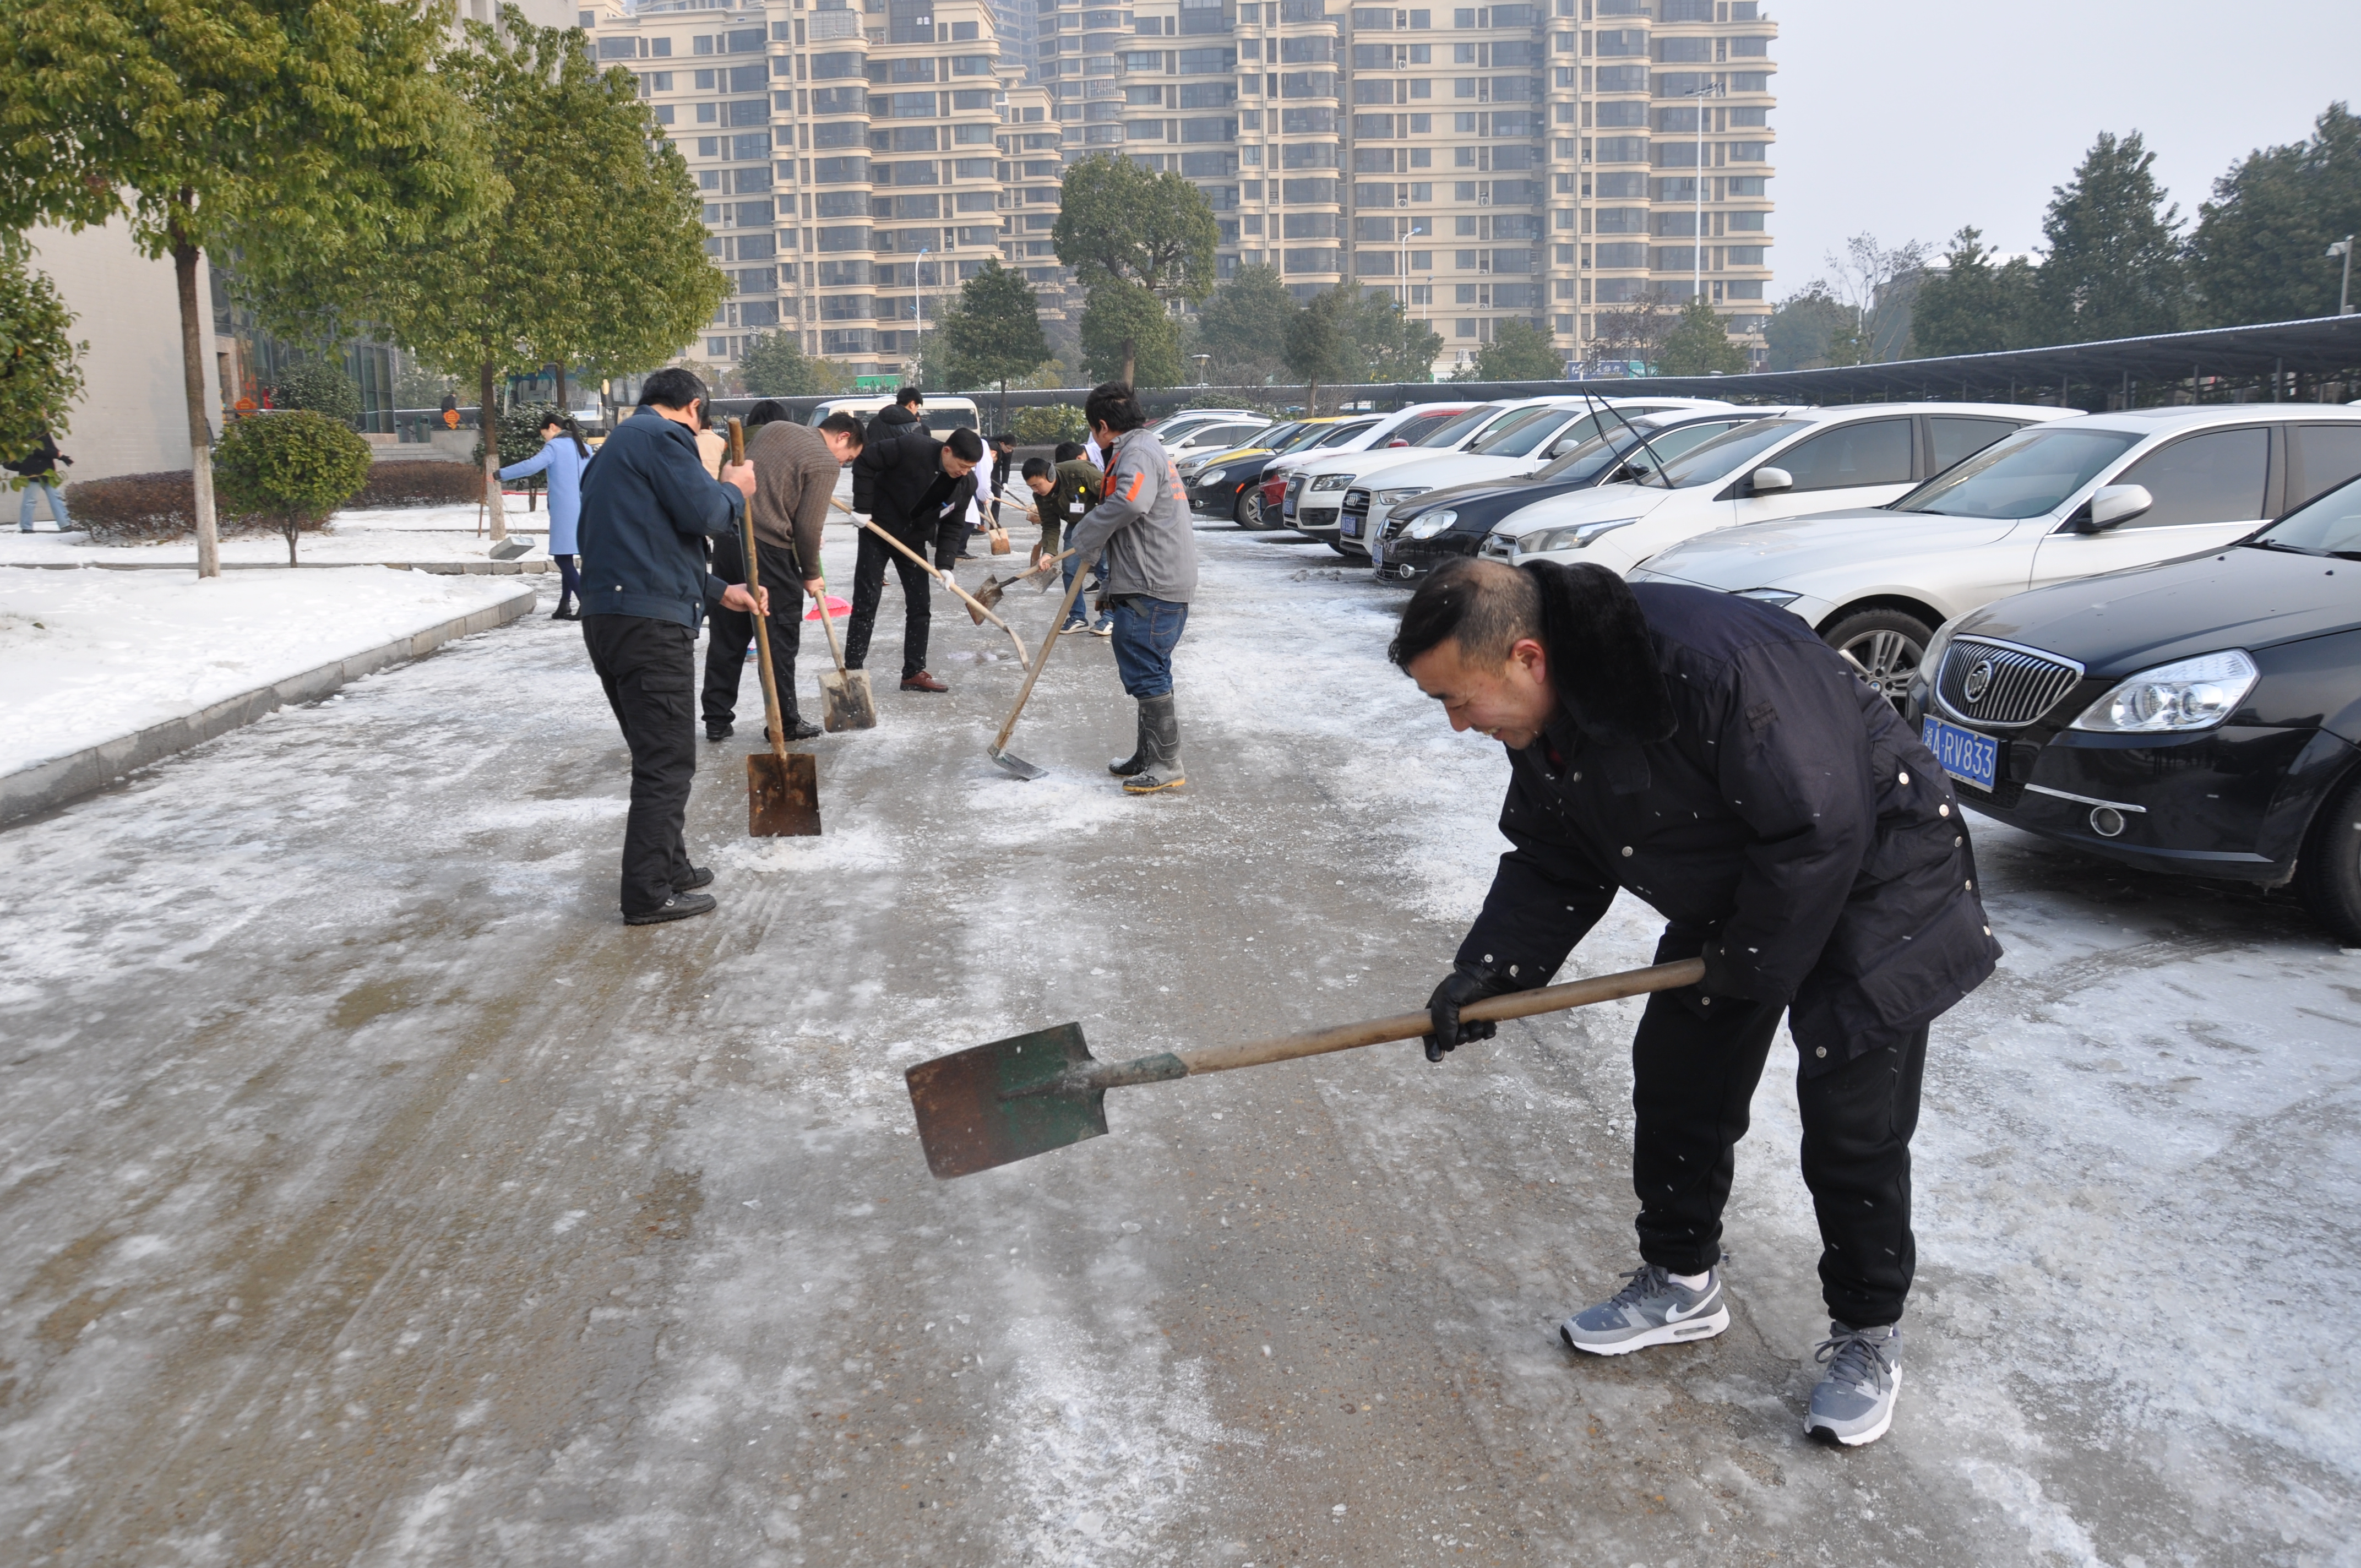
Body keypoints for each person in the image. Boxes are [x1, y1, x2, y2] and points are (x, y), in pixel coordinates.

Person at [1390, 557, 2002, 1447]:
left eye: (1459, 698)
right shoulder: (1551, 717)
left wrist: (1744, 961)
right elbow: (1555, 856)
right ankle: (1681, 1281)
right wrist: (1490, 973)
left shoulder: (1711, 669)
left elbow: (1820, 825)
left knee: (1849, 1118)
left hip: (1877, 875)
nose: (1456, 725)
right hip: (1746, 873)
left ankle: (1868, 1333)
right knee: (1681, 1075)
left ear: (1525, 656)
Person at [575, 367, 765, 927]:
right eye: (701, 423)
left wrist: (717, 590)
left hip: (613, 617)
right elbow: (706, 514)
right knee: (666, 762)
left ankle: (671, 864)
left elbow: (645, 544)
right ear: (693, 407)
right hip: (648, 628)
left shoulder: (616, 449)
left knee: (656, 752)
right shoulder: (662, 437)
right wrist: (736, 488)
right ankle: (648, 892)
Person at [702, 406, 865, 742]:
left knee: (727, 633)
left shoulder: (776, 427)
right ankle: (785, 722)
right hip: (769, 551)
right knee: (779, 639)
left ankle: (717, 719)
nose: (842, 465)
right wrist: (811, 573)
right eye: (847, 458)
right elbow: (808, 527)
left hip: (730, 538)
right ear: (843, 436)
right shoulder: (822, 461)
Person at [1064, 383, 1195, 794]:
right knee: (1145, 664)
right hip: (1151, 577)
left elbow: (1131, 504)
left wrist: (1085, 534)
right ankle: (1149, 754)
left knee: (1145, 665)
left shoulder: (1136, 452)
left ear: (1103, 426)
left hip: (1155, 582)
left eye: (1093, 431)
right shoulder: (1144, 447)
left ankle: (1166, 762)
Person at [844, 424, 983, 693]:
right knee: (866, 602)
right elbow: (865, 461)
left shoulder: (966, 483)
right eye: (962, 465)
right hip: (878, 531)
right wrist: (863, 507)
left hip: (914, 539)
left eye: (970, 468)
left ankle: (913, 672)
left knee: (921, 605)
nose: (964, 472)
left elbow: (953, 525)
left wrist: (945, 565)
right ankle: (853, 672)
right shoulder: (910, 448)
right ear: (947, 451)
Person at [499, 412, 593, 618]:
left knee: (562, 557)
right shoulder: (585, 447)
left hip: (565, 510)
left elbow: (530, 466)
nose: (545, 439)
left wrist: (500, 474)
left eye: (544, 435)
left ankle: (585, 602)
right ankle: (564, 604)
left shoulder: (554, 447)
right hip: (587, 507)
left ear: (552, 428)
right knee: (570, 555)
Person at [1031, 442, 1105, 635]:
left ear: (1050, 475)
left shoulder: (1080, 471)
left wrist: (1105, 525)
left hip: (1102, 520)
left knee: (1105, 569)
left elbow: (1111, 495)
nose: (1036, 490)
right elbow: (1050, 525)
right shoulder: (1041, 496)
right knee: (1070, 569)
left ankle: (1110, 616)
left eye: (1037, 485)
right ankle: (1078, 617)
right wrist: (1048, 553)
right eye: (1032, 487)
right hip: (1077, 524)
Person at [10, 428, 72, 532]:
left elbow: (50, 447)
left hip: (47, 471)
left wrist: (61, 456)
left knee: (55, 497)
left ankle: (65, 525)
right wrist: (59, 455)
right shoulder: (28, 427)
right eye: (43, 411)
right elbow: (38, 448)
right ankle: (26, 527)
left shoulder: (43, 428)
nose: (45, 412)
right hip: (32, 471)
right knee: (31, 500)